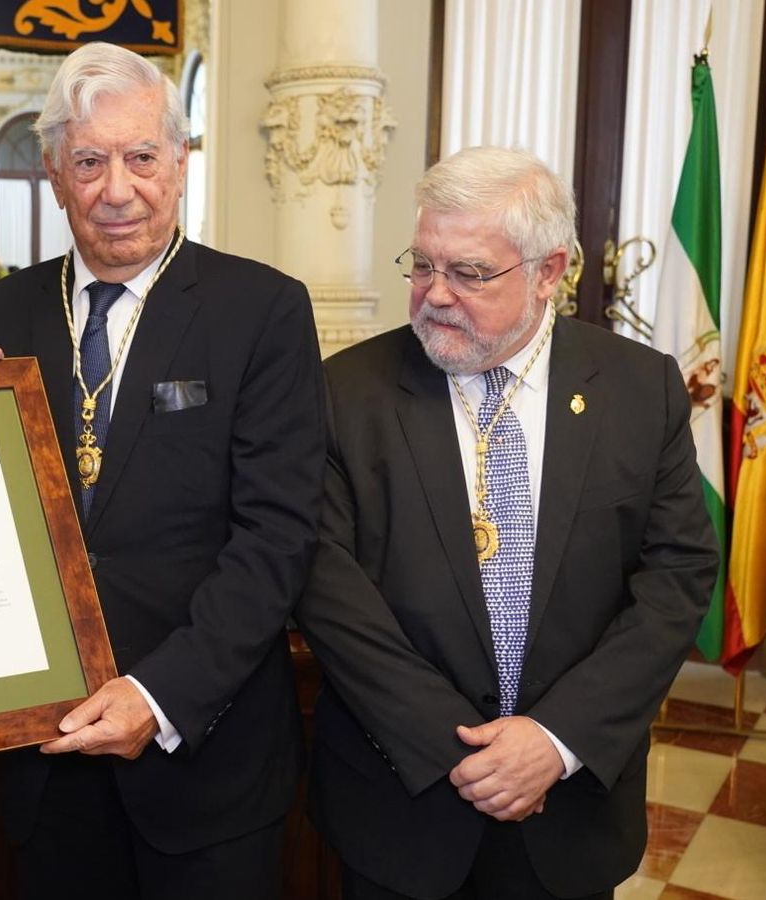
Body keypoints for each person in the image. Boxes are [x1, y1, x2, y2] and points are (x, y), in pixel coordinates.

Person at [294, 145, 718, 900]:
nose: (436, 295)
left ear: (549, 272)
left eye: (470, 272)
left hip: (570, 810)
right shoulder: (347, 392)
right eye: (422, 265)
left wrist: (555, 742)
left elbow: (677, 579)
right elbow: (328, 588)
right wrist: (456, 750)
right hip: (401, 804)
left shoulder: (638, 389)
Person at [0, 42, 324, 899]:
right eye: (88, 161)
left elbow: (277, 538)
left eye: (141, 157)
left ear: (181, 163)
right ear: (54, 174)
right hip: (45, 757)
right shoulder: (0, 311)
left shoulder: (261, 309)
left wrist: (158, 696)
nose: (116, 189)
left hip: (205, 757)